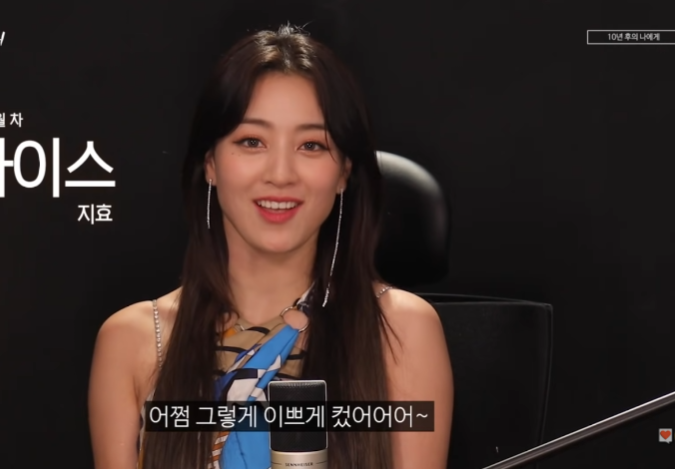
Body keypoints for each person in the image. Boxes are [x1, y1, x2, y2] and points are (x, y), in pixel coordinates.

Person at [88, 24, 453, 469]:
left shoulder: (401, 331)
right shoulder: (134, 341)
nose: (280, 174)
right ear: (210, 163)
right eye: (251, 142)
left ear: (344, 172)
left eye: (311, 145)